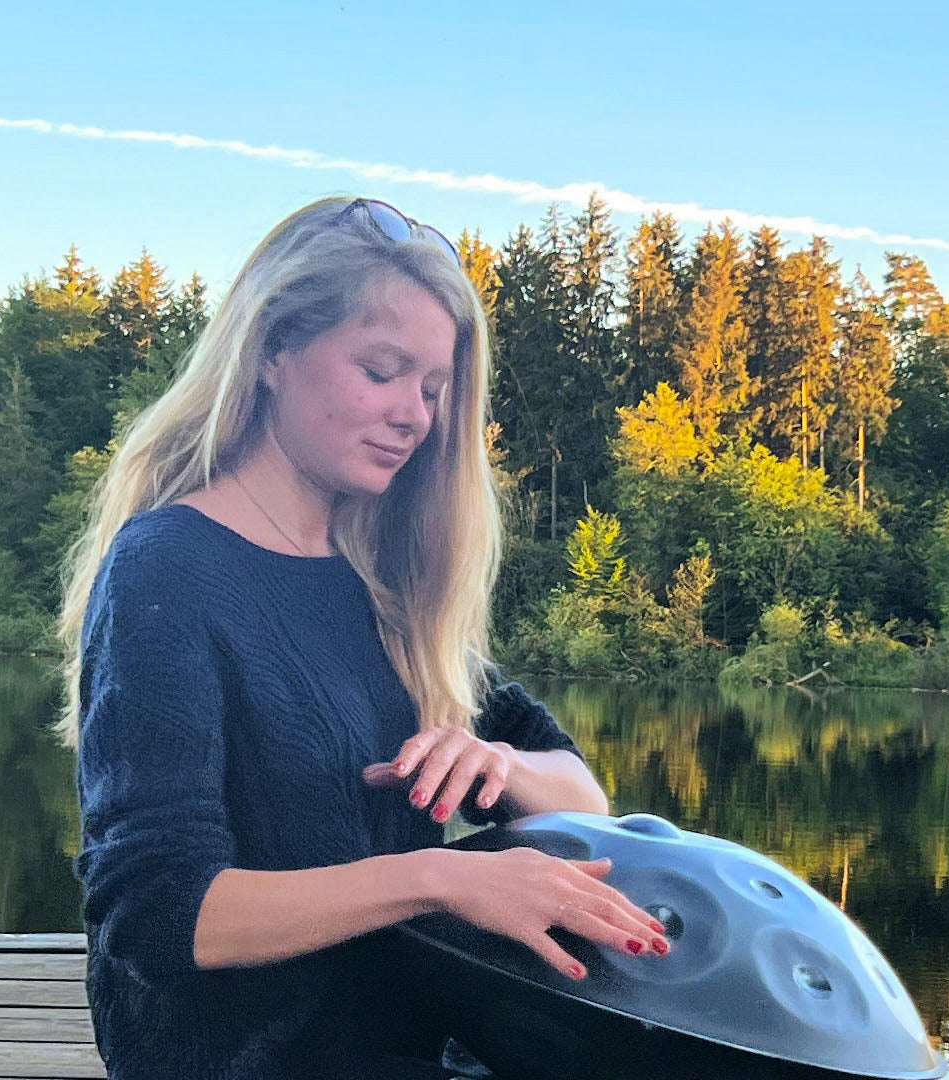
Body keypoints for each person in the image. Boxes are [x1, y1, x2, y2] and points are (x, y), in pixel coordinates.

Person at [52, 196, 672, 1078]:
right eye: (381, 371)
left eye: (431, 389)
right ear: (272, 351)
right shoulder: (169, 567)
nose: (415, 417)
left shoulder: (379, 582)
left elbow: (583, 795)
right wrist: (441, 877)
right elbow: (160, 918)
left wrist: (501, 768)